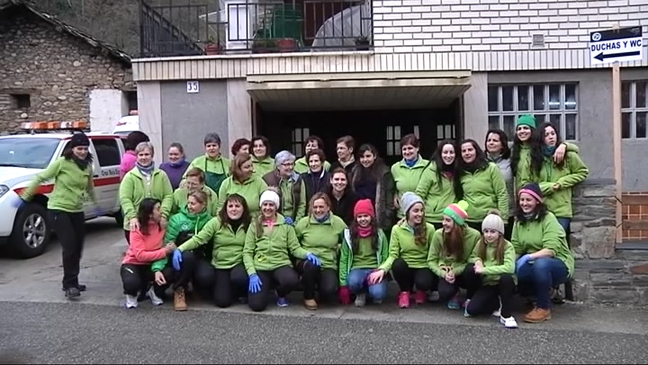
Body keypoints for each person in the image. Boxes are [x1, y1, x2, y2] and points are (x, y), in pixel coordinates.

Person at [16, 132, 99, 299]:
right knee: (69, 247)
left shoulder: (87, 166)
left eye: (84, 148)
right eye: (79, 148)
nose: (82, 152)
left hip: (76, 210)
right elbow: (41, 177)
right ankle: (70, 285)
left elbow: (89, 187)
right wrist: (26, 195)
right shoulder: (62, 163)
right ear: (72, 149)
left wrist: (96, 204)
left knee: (77, 248)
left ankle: (71, 280)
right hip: (58, 209)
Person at [172, 193, 252, 308]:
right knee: (222, 302)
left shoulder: (249, 223)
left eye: (237, 206)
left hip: (240, 263)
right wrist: (180, 249)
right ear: (225, 208)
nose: (234, 209)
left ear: (244, 208)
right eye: (230, 206)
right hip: (221, 265)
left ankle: (241, 292)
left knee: (239, 278)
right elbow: (199, 239)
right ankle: (226, 290)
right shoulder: (216, 222)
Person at [512, 183, 574, 323]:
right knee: (519, 270)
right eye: (522, 200)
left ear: (537, 201)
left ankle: (543, 308)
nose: (524, 203)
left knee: (541, 265)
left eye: (528, 200)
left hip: (557, 262)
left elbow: (550, 250)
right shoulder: (519, 222)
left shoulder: (548, 218)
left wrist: (528, 257)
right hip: (533, 262)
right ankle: (534, 297)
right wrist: (511, 262)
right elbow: (516, 247)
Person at [242, 189, 314, 311]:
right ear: (261, 206)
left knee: (292, 280)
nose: (268, 208)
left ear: (276, 207)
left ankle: (280, 293)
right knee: (257, 306)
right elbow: (247, 252)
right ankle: (265, 287)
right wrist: (252, 273)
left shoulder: (286, 224)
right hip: (260, 266)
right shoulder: (254, 225)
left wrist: (307, 254)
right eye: (265, 204)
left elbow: (295, 248)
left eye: (271, 205)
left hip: (281, 264)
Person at [367, 193, 435, 308]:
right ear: (407, 212)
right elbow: (393, 254)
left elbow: (433, 254)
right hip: (406, 266)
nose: (420, 214)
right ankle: (405, 291)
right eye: (416, 211)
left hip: (423, 266)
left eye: (421, 210)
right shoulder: (397, 229)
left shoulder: (430, 228)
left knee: (424, 282)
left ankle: (420, 290)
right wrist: (382, 270)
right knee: (397, 264)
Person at [159, 190, 212, 311]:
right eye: (188, 203)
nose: (189, 206)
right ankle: (179, 289)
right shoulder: (177, 219)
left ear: (203, 205)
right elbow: (168, 242)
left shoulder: (210, 220)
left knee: (207, 277)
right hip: (180, 258)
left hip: (200, 256)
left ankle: (197, 287)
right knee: (187, 257)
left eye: (193, 204)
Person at [463, 213, 518, 328]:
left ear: (500, 233)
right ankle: (493, 303)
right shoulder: (481, 243)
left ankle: (506, 315)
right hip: (488, 284)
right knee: (472, 310)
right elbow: (472, 257)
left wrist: (484, 270)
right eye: (486, 231)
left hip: (502, 283)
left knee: (506, 277)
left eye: (492, 232)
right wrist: (477, 260)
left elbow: (509, 268)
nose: (488, 235)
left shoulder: (508, 246)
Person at [294, 193, 347, 310]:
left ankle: (320, 288)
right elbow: (294, 245)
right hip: (307, 262)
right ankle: (308, 296)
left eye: (321, 207)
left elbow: (346, 242)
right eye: (315, 207)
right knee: (312, 267)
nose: (318, 210)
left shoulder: (338, 223)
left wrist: (338, 250)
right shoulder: (303, 223)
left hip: (328, 263)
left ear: (328, 207)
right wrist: (305, 254)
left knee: (329, 292)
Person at [120, 198, 175, 309]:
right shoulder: (136, 228)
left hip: (152, 264)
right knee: (132, 284)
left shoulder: (162, 225)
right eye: (158, 209)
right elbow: (140, 255)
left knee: (171, 272)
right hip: (133, 263)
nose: (161, 212)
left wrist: (157, 269)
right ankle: (131, 295)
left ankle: (154, 291)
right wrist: (164, 251)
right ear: (150, 214)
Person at [427, 201, 481, 309]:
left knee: (472, 269)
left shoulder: (474, 235)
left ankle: (470, 297)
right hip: (446, 271)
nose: (443, 223)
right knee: (444, 292)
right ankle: (453, 294)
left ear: (457, 222)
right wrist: (443, 274)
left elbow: (473, 259)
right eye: (443, 219)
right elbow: (431, 260)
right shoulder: (438, 234)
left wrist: (456, 271)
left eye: (447, 220)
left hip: (463, 270)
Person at [119, 142, 174, 244]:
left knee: (157, 253)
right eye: (141, 155)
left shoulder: (161, 175)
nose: (144, 157)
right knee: (139, 256)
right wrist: (132, 217)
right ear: (137, 156)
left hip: (156, 223)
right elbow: (125, 198)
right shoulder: (129, 177)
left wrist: (164, 215)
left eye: (147, 154)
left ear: (152, 156)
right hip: (136, 224)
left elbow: (168, 196)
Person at [338, 199, 389, 307]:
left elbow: (385, 256)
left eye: (366, 216)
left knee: (378, 294)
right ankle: (360, 293)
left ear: (371, 217)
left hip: (375, 269)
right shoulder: (349, 235)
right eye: (360, 216)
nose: (363, 219)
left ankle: (371, 291)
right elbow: (344, 259)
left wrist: (381, 271)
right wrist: (343, 285)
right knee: (353, 282)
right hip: (357, 269)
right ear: (356, 218)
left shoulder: (380, 234)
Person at [217, 152, 267, 218]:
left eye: (251, 166)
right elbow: (220, 208)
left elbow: (267, 205)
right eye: (247, 167)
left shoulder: (259, 182)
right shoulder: (226, 184)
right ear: (237, 170)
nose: (251, 169)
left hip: (254, 223)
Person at [262, 150, 306, 224]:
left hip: (295, 220)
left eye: (292, 164)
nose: (290, 167)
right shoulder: (267, 179)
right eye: (286, 165)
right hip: (275, 222)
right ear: (278, 166)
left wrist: (296, 222)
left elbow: (302, 204)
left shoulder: (298, 179)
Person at [391, 134, 428, 220]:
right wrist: (395, 195)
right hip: (402, 214)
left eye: (410, 148)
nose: (407, 152)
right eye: (404, 149)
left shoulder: (428, 166)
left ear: (417, 148)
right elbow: (392, 188)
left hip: (422, 214)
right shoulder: (395, 168)